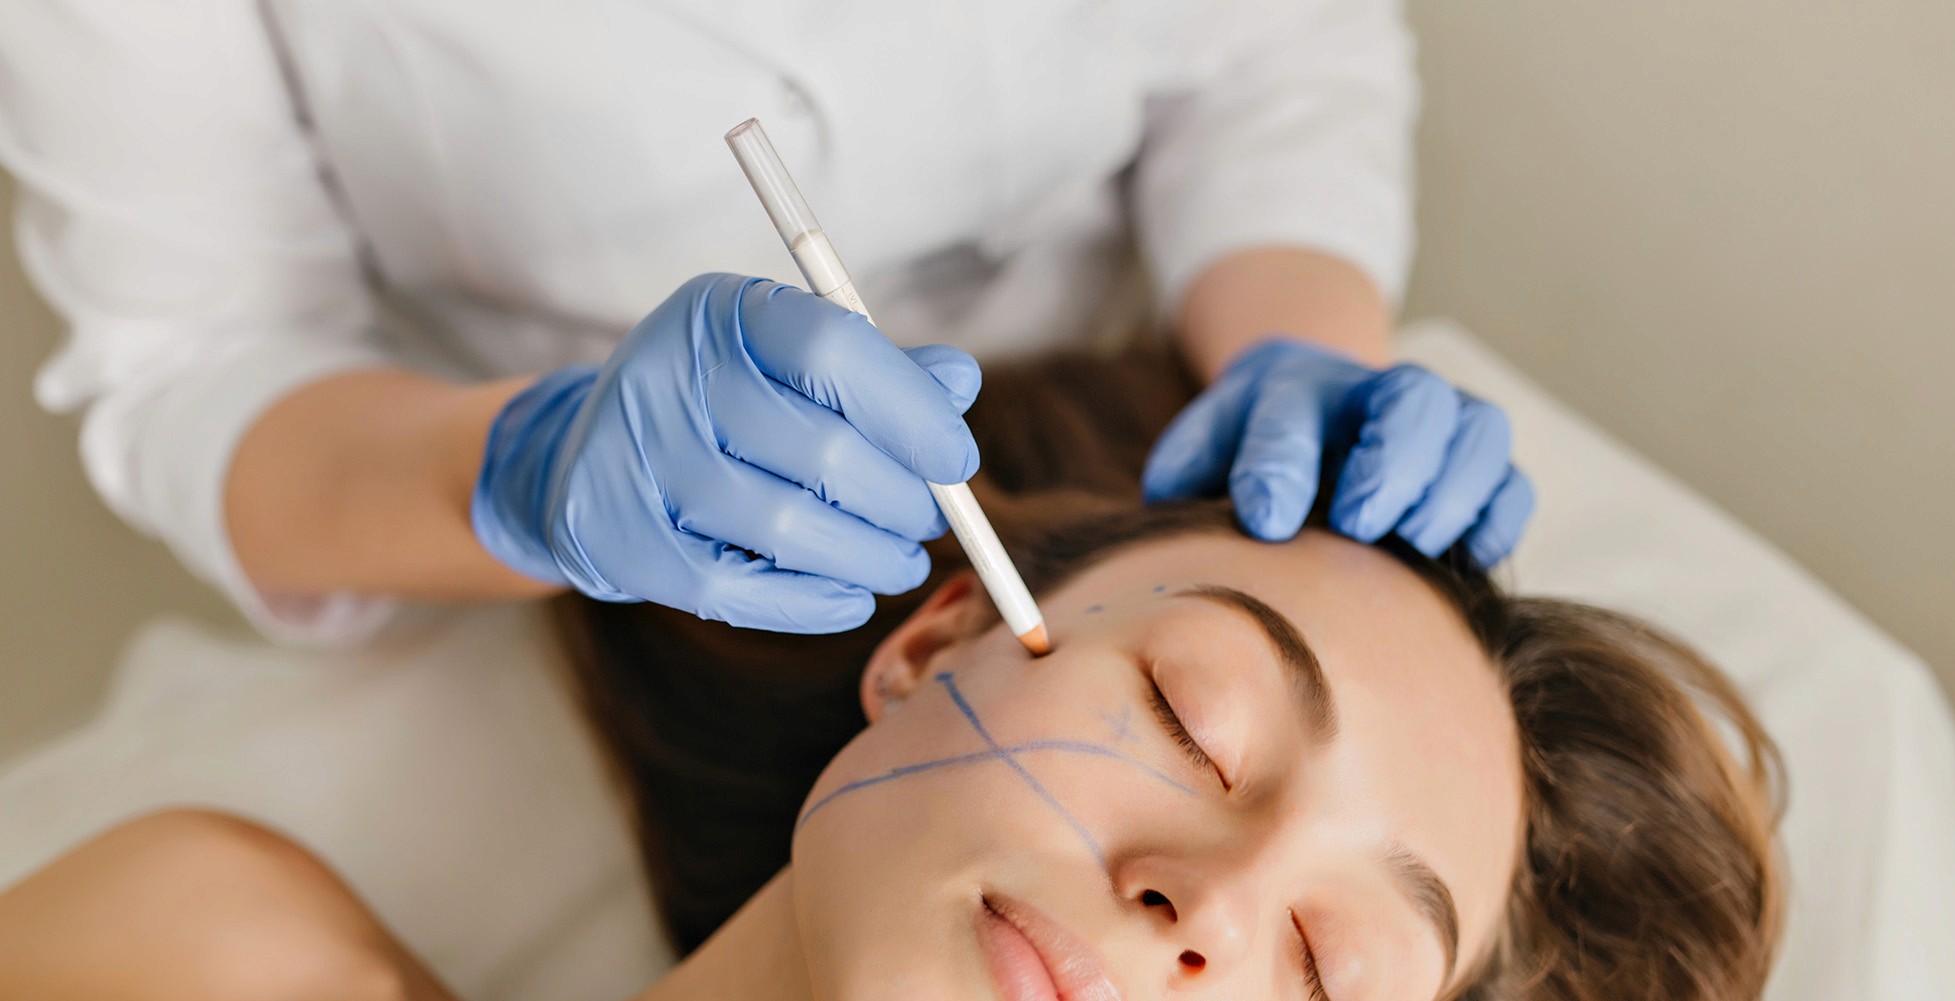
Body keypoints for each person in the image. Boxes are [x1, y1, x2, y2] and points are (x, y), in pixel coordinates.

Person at [0, 349, 1782, 1001]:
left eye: (1327, 968)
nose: (1209, 900)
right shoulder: (191, 937)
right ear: (930, 644)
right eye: (1193, 712)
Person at [0, 1, 1531, 646]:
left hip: (1140, 398)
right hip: (576, 537)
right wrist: (529, 472)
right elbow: (194, 365)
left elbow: (1273, 46)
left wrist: (1300, 337)